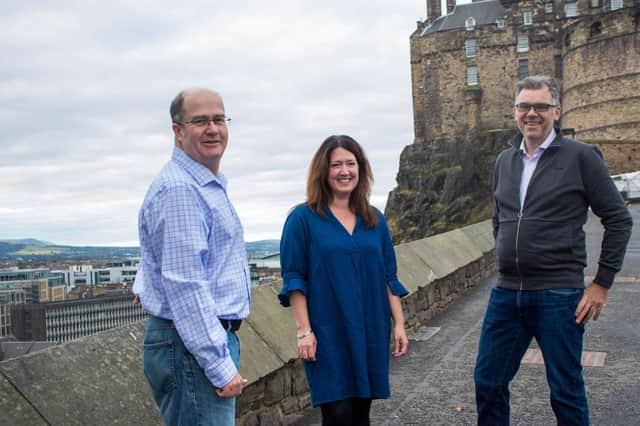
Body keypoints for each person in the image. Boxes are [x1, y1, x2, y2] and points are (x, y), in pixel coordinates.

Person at [474, 75, 633, 425]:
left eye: (540, 106)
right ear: (515, 112)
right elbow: (499, 218)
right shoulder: (504, 161)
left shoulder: (581, 157)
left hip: (558, 294)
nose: (532, 113)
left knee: (565, 390)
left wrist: (601, 283)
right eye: (524, 106)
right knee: (488, 382)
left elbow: (619, 220)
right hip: (506, 292)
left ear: (556, 111)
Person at [133, 88, 251, 425]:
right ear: (178, 130)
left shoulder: (204, 183)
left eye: (219, 119)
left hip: (191, 344)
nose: (213, 128)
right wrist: (219, 366)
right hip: (190, 349)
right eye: (200, 121)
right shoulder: (181, 189)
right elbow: (185, 286)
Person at [278, 135, 409, 426]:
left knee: (362, 411)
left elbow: (389, 275)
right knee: (337, 412)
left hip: (370, 327)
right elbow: (294, 278)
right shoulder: (302, 219)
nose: (344, 171)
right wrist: (304, 331)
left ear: (361, 169)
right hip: (328, 330)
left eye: (350, 163)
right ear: (323, 171)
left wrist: (399, 324)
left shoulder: (375, 219)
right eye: (336, 164)